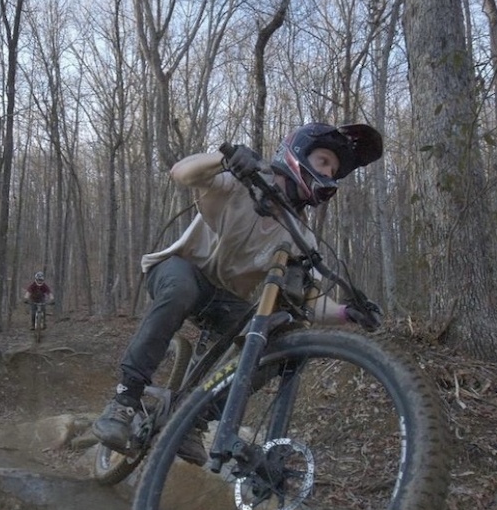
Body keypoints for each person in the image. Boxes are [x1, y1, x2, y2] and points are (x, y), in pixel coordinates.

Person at [92, 122, 383, 463]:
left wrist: (349, 313)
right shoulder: (239, 185)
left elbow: (312, 301)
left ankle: (192, 423)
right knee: (182, 287)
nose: (329, 173)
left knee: (275, 342)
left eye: (334, 170)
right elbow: (181, 172)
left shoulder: (300, 237)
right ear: (298, 153)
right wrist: (224, 159)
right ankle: (124, 400)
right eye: (323, 162)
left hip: (225, 300)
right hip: (179, 270)